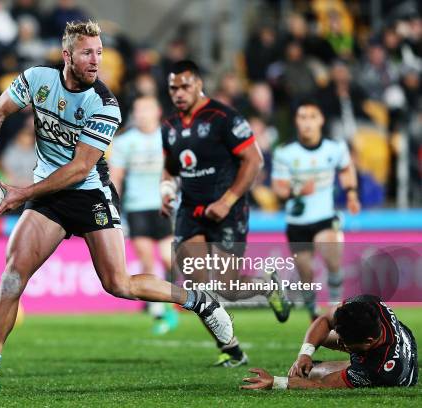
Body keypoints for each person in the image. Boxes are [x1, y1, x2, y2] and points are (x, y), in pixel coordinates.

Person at [0, 21, 233, 399]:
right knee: (11, 277)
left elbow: (80, 168)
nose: (96, 60)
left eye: (100, 52)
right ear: (67, 55)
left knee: (118, 283)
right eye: (88, 52)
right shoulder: (37, 78)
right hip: (47, 195)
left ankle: (198, 301)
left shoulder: (104, 104)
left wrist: (21, 194)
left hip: (89, 195)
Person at [160, 60, 291, 368]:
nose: (178, 93)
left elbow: (254, 160)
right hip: (190, 210)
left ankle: (267, 285)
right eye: (173, 88)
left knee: (227, 287)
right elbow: (170, 166)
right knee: (196, 286)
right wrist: (166, 189)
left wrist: (228, 199)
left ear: (198, 83)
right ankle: (230, 348)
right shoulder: (170, 126)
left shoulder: (223, 117)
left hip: (228, 210)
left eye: (185, 86)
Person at [271, 100, 361, 321]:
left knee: (333, 259)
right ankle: (313, 313)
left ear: (320, 120)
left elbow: (346, 168)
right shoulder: (285, 152)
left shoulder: (335, 147)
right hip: (297, 221)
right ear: (297, 122)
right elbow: (278, 189)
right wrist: (297, 190)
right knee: (306, 273)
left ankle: (335, 309)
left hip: (325, 217)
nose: (307, 123)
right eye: (302, 117)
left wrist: (351, 193)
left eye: (312, 117)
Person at [241, 294, 418, 389]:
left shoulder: (379, 369)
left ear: (368, 341)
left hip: (397, 371)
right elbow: (324, 320)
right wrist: (305, 354)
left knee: (312, 375)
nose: (340, 344)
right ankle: (344, 361)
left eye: (345, 343)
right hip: (399, 338)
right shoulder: (370, 304)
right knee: (320, 335)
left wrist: (275, 382)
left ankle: (347, 365)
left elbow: (321, 385)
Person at [110, 95, 178, 335]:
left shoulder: (169, 137)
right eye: (138, 110)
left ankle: (183, 299)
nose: (141, 114)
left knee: (170, 259)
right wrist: (113, 206)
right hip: (137, 206)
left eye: (146, 109)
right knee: (147, 260)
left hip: (164, 206)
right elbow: (116, 177)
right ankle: (160, 312)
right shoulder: (124, 142)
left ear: (157, 112)